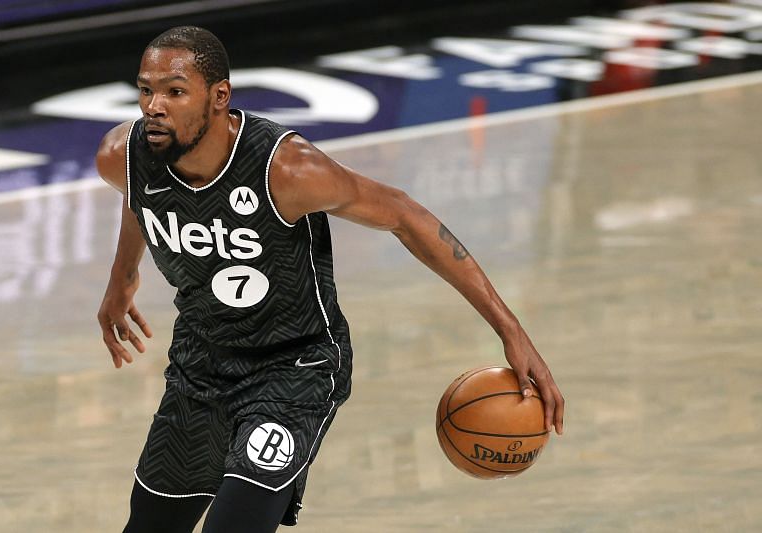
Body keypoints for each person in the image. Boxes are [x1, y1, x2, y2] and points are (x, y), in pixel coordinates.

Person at [96, 26, 564, 533]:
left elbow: (405, 215)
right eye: (146, 90)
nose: (153, 107)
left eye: (174, 91)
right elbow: (137, 189)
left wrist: (510, 330)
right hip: (201, 360)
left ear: (218, 97)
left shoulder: (289, 171)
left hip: (294, 367)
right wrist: (122, 279)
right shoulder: (122, 154)